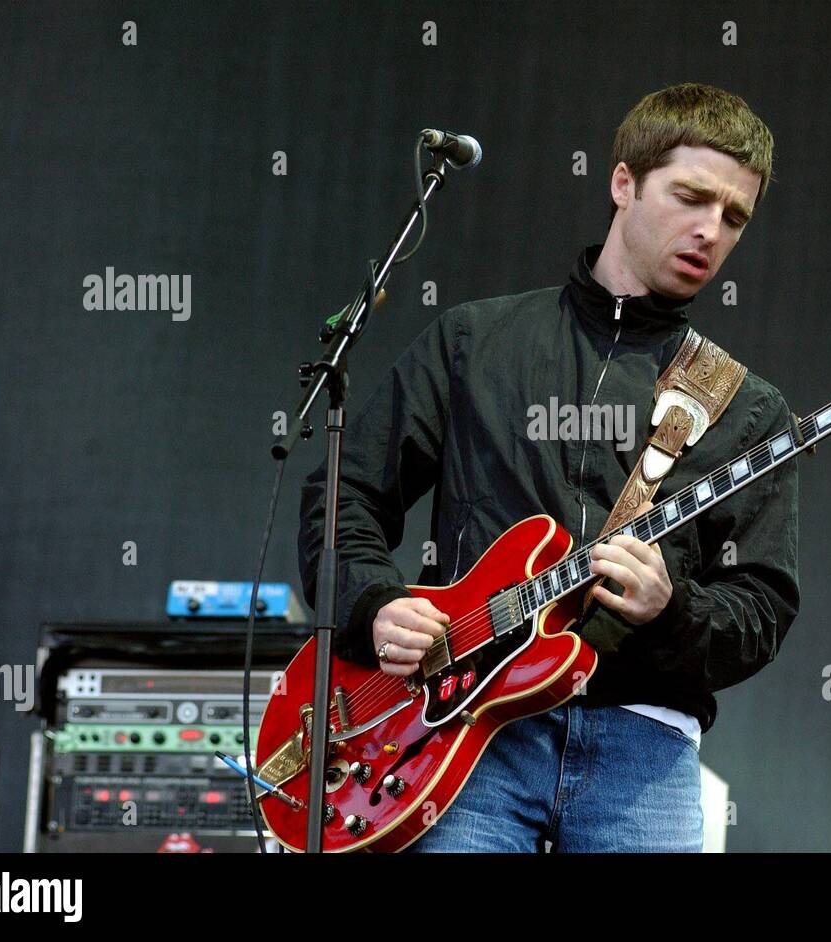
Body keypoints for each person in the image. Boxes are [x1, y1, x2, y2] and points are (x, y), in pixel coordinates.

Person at [298, 82, 799, 852]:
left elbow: (760, 609)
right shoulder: (474, 341)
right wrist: (374, 606)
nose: (711, 230)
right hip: (463, 738)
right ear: (623, 183)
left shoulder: (749, 409)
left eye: (735, 216)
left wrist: (671, 609)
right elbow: (347, 494)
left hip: (644, 748)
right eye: (692, 197)